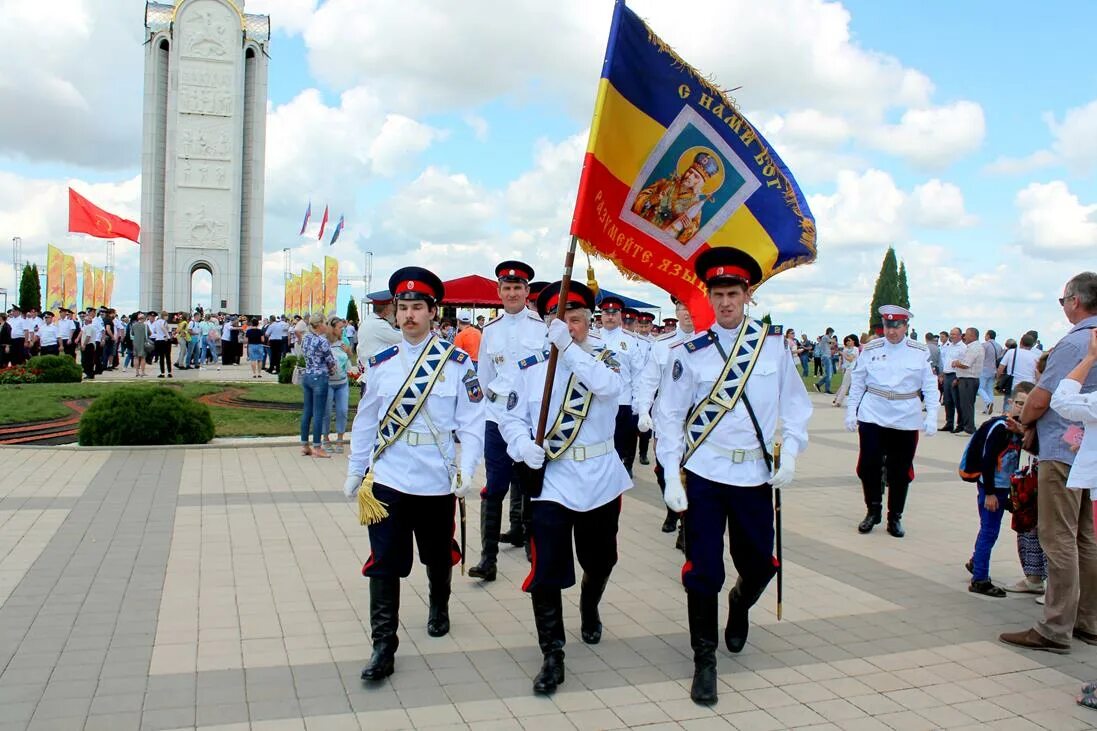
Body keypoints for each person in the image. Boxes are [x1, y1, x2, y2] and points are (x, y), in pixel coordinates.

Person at [654, 247, 811, 705]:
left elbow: (796, 406)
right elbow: (669, 415)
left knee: (760, 563)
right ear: (708, 297)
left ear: (748, 296)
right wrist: (668, 476)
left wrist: (792, 452)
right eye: (718, 294)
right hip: (705, 472)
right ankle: (705, 659)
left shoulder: (772, 347)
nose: (725, 302)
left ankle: (741, 603)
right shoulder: (691, 353)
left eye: (734, 293)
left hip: (755, 475)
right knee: (703, 570)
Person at [343, 266, 483, 683]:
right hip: (389, 478)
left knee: (437, 555)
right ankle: (383, 645)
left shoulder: (456, 363)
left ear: (432, 312)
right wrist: (356, 470)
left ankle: (439, 604)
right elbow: (366, 422)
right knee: (384, 562)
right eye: (402, 307)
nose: (408, 315)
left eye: (416, 307)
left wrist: (468, 469)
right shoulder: (382, 364)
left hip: (436, 479)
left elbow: (473, 422)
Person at [500, 280, 630, 695]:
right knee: (548, 569)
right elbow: (510, 415)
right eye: (562, 321)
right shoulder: (529, 365)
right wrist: (521, 444)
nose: (569, 327)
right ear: (546, 322)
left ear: (589, 320)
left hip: (600, 479)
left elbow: (608, 389)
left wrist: (570, 350)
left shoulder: (607, 359)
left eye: (576, 320)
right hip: (552, 480)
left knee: (600, 560)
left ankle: (589, 606)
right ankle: (552, 653)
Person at [1001, 272, 1097, 654]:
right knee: (1085, 537)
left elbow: (1042, 398)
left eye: (1063, 301)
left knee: (1058, 537)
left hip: (1063, 451)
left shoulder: (1075, 342)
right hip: (1088, 452)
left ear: (1075, 301)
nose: (1063, 308)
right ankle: (1088, 619)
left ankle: (1055, 627)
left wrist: (1023, 422)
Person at [468, 261, 546, 581]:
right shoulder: (491, 329)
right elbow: (484, 377)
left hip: (528, 419)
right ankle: (488, 558)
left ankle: (531, 544)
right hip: (497, 416)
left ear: (527, 292)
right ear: (499, 292)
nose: (512, 293)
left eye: (518, 287)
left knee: (530, 484)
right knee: (495, 487)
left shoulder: (541, 328)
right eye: (507, 288)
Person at [846, 305, 939, 537]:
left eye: (897, 326)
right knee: (868, 465)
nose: (891, 331)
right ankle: (873, 510)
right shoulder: (871, 348)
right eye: (888, 326)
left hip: (905, 415)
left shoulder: (919, 352)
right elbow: (858, 381)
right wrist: (851, 411)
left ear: (906, 326)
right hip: (873, 412)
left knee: (900, 470)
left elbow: (929, 385)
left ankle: (894, 516)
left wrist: (933, 415)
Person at [965, 382, 1035, 597]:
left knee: (988, 528)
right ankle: (980, 579)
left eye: (1027, 405)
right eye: (1019, 403)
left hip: (1003, 487)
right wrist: (990, 493)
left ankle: (976, 562)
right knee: (989, 531)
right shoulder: (1000, 428)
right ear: (1010, 402)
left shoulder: (1020, 429)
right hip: (993, 487)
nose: (1022, 409)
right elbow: (987, 461)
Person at [636, 296, 694, 539]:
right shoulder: (662, 344)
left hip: (699, 421)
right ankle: (672, 510)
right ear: (677, 311)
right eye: (683, 308)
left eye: (691, 308)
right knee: (663, 470)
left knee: (692, 472)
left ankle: (686, 525)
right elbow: (649, 380)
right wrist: (643, 410)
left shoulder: (710, 340)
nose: (688, 313)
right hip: (667, 420)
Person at [598, 295, 643, 477]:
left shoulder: (630, 341)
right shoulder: (591, 337)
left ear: (620, 315)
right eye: (606, 313)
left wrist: (638, 401)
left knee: (622, 439)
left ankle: (623, 466)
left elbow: (638, 373)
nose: (610, 317)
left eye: (614, 313)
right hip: (598, 400)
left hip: (623, 400)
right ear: (600, 315)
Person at [322, 317, 353, 453]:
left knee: (342, 411)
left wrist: (347, 351)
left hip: (342, 383)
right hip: (327, 383)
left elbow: (350, 356)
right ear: (333, 328)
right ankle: (326, 438)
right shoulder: (324, 342)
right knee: (327, 412)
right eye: (340, 328)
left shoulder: (344, 341)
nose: (343, 330)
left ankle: (340, 439)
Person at [952, 327, 985, 434]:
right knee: (964, 404)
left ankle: (969, 428)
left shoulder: (974, 348)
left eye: (966, 334)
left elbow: (966, 364)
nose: (964, 337)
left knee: (967, 405)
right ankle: (963, 425)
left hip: (969, 380)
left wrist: (956, 363)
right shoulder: (971, 347)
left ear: (972, 336)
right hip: (965, 379)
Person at [997, 333, 1041, 409]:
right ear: (1032, 345)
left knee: (1008, 405)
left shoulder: (1011, 352)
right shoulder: (1036, 357)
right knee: (1024, 407)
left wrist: (998, 378)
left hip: (1012, 384)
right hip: (1029, 386)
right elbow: (1037, 374)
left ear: (1020, 342)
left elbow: (1001, 367)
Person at [358, 299, 402, 363]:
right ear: (387, 310)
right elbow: (401, 338)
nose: (394, 312)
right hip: (378, 366)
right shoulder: (378, 324)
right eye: (393, 309)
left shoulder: (369, 321)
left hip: (372, 364)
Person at [939, 327, 964, 430]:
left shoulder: (963, 347)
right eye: (951, 334)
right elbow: (946, 361)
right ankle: (949, 423)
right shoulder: (949, 346)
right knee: (948, 401)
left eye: (954, 334)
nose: (952, 336)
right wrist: (942, 374)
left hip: (955, 375)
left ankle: (960, 424)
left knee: (957, 401)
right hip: (947, 375)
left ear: (960, 335)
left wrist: (957, 378)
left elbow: (963, 363)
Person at [832, 334, 860, 407]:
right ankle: (836, 398)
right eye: (847, 341)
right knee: (844, 384)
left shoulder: (855, 349)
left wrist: (843, 354)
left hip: (852, 369)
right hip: (847, 368)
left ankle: (838, 401)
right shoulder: (846, 349)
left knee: (845, 385)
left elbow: (850, 359)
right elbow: (844, 360)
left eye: (849, 340)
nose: (848, 342)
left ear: (853, 341)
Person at [79, 310, 103, 380]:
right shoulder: (86, 327)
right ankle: (89, 373)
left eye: (86, 320)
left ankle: (89, 373)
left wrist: (84, 345)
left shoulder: (89, 327)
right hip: (90, 345)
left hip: (88, 345)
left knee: (87, 361)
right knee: (87, 360)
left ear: (89, 321)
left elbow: (88, 336)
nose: (84, 321)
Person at [150, 310, 172, 378]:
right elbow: (163, 327)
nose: (167, 317)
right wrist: (167, 335)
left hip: (158, 340)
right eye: (166, 316)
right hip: (165, 340)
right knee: (168, 356)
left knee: (161, 357)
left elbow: (155, 330)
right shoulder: (164, 321)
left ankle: (162, 373)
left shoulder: (156, 322)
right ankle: (169, 372)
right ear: (164, 316)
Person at [130, 312, 151, 377]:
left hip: (135, 343)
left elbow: (132, 333)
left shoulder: (134, 325)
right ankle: (143, 372)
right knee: (143, 358)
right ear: (143, 319)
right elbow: (150, 333)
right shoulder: (145, 326)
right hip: (143, 342)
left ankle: (137, 372)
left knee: (136, 357)